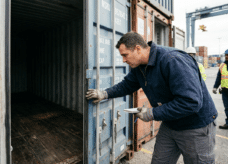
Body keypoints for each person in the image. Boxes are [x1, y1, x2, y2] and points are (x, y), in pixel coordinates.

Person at [86, 32, 217, 164]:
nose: (123, 60)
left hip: (195, 126)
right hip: (171, 124)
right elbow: (127, 85)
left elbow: (191, 102)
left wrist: (151, 113)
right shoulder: (140, 66)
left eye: (125, 55)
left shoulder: (172, 60)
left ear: (137, 48)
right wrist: (105, 94)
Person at [213, 49, 228, 129]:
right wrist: (215, 87)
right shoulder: (222, 65)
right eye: (226, 55)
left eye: (227, 55)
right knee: (227, 108)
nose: (226, 56)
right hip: (225, 91)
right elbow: (219, 77)